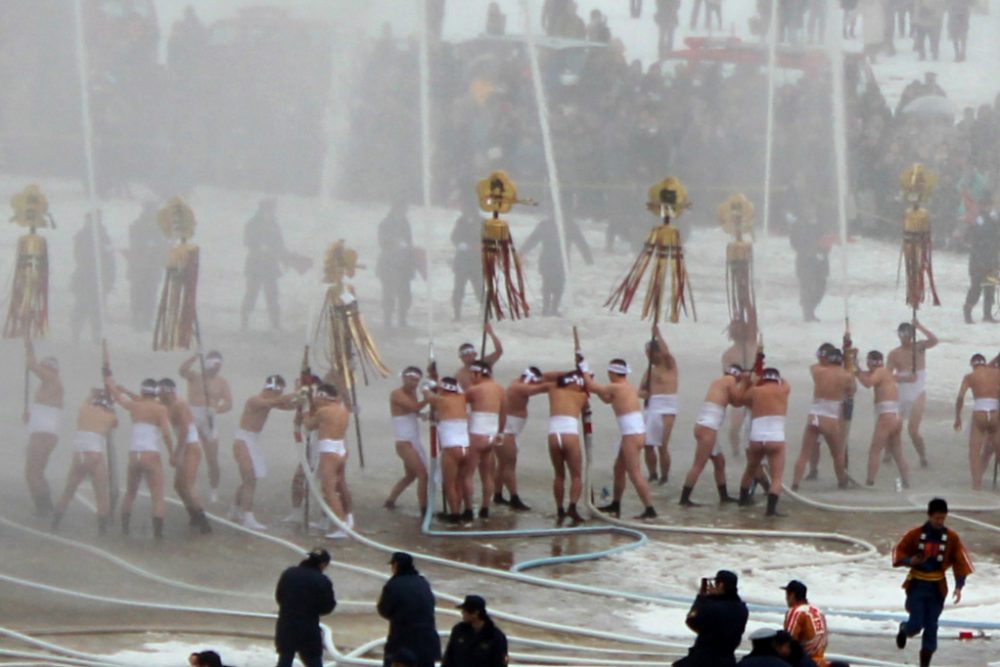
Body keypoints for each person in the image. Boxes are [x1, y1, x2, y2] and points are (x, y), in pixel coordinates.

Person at [892, 498, 973, 667]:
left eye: (943, 518)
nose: (940, 522)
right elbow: (898, 550)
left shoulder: (951, 537)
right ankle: (904, 629)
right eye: (937, 518)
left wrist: (959, 586)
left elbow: (961, 561)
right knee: (916, 624)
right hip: (918, 586)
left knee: (932, 626)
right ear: (929, 516)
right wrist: (910, 560)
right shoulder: (915, 533)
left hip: (937, 588)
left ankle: (924, 664)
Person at [585, 358, 657, 519]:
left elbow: (592, 387)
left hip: (632, 434)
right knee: (618, 469)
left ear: (612, 373)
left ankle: (650, 509)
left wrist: (583, 370)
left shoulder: (617, 386)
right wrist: (590, 379)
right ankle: (615, 503)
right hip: (634, 432)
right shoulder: (627, 387)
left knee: (634, 473)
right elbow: (605, 398)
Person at [106, 377, 174, 538]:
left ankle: (124, 530)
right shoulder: (160, 409)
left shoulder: (135, 407)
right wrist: (172, 453)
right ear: (156, 393)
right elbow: (166, 433)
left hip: (134, 454)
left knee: (130, 493)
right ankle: (158, 535)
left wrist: (112, 386)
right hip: (150, 454)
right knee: (157, 496)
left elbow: (120, 400)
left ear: (143, 391)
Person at [231, 375, 297, 530]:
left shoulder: (270, 401)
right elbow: (275, 401)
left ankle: (235, 509)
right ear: (272, 388)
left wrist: (301, 399)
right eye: (278, 391)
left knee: (248, 479)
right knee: (250, 479)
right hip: (243, 440)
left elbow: (286, 405)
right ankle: (247, 516)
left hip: (252, 441)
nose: (279, 395)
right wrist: (295, 393)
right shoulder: (255, 400)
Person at [51, 389, 117, 534]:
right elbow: (115, 424)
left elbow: (88, 399)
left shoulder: (84, 408)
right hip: (94, 454)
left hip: (79, 454)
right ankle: (102, 530)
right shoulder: (109, 416)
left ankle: (55, 522)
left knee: (69, 491)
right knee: (101, 494)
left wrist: (94, 394)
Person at [792, 346, 854, 490]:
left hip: (814, 415)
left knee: (804, 454)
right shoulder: (846, 376)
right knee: (837, 454)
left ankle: (795, 483)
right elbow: (851, 392)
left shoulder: (818, 371)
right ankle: (842, 482)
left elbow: (814, 365)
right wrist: (849, 364)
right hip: (830, 417)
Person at [679, 365, 743, 506]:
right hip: (708, 428)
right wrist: (748, 384)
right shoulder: (729, 380)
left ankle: (724, 497)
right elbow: (738, 401)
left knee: (719, 462)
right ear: (738, 375)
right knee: (698, 465)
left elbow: (732, 400)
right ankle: (684, 499)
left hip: (705, 426)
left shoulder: (719, 382)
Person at [158, 378, 211, 534]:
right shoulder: (164, 403)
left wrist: (176, 452)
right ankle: (193, 515)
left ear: (168, 391)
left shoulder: (179, 405)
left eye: (160, 391)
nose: (158, 394)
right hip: (185, 447)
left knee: (188, 484)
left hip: (190, 447)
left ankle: (203, 521)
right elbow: (145, 401)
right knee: (179, 485)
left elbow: (185, 430)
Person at [736, 367, 791, 517]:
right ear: (776, 379)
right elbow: (786, 382)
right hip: (775, 437)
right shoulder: (784, 389)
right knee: (777, 477)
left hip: (757, 437)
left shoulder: (756, 391)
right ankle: (770, 510)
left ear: (763, 379)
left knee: (750, 469)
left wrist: (749, 382)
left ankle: (742, 501)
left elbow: (740, 399)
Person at [179, 351, 233, 502]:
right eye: (214, 365)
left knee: (212, 458)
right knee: (191, 453)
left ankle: (214, 490)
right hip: (194, 415)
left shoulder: (222, 382)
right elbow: (182, 371)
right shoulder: (195, 377)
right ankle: (190, 485)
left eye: (219, 366)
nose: (217, 369)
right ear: (208, 364)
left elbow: (229, 403)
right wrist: (195, 357)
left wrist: (216, 409)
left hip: (210, 417)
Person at [519, 210, 593, 317]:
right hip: (559, 262)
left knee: (549, 285)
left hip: (549, 261)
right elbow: (581, 242)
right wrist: (588, 259)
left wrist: (522, 252)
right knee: (556, 285)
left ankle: (548, 309)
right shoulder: (569, 226)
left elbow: (532, 240)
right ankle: (551, 309)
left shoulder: (547, 225)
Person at [303, 384, 354, 539]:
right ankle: (331, 520)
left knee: (329, 490)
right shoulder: (343, 410)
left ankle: (342, 524)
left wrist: (304, 411)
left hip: (329, 450)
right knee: (338, 486)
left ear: (323, 397)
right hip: (340, 448)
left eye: (318, 397)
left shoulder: (324, 411)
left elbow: (309, 425)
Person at [495, 367, 549, 511]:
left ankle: (497, 495)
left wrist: (568, 375)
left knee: (502, 464)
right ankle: (514, 498)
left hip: (512, 429)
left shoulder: (518, 382)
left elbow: (544, 380)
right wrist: (560, 384)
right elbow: (541, 389)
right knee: (509, 463)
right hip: (506, 429)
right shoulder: (519, 387)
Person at [856, 350, 910, 488]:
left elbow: (868, 383)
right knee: (897, 452)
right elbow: (867, 376)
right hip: (896, 415)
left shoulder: (880, 372)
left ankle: (869, 482)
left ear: (870, 361)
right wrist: (856, 368)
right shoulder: (885, 372)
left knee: (875, 450)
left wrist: (856, 370)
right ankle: (906, 481)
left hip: (887, 415)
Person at [887, 320, 937, 467]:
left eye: (907, 334)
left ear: (911, 335)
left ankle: (922, 456)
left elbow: (934, 340)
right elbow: (887, 376)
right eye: (901, 334)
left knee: (912, 430)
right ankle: (888, 452)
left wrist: (920, 326)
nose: (904, 338)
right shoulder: (894, 354)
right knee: (894, 427)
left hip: (918, 394)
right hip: (901, 394)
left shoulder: (919, 347)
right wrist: (904, 378)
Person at [275, 548, 336, 667]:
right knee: (313, 661)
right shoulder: (322, 581)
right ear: (323, 564)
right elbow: (328, 607)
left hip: (286, 626)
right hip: (308, 629)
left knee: (285, 660)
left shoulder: (288, 573)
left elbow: (279, 597)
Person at [673, 570, 749, 667]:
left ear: (721, 585)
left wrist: (701, 599)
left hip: (704, 659)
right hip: (727, 659)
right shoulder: (742, 609)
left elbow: (692, 621)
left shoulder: (711, 606)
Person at [377, 552, 441, 667]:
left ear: (396, 565)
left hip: (402, 641)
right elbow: (431, 604)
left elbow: (384, 610)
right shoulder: (423, 582)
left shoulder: (393, 585)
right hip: (427, 643)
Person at [23, 336, 63, 516]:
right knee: (33, 472)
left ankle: (44, 508)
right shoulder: (48, 385)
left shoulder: (52, 379)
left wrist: (29, 346)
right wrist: (30, 416)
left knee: (33, 472)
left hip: (43, 434)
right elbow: (44, 409)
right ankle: (44, 506)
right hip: (41, 431)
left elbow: (31, 365)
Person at [545, 371, 590, 524]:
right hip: (569, 434)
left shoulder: (553, 390)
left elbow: (546, 377)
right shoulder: (582, 396)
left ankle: (559, 509)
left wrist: (567, 374)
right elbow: (586, 412)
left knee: (559, 474)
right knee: (576, 475)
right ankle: (572, 506)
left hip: (553, 434)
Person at [422, 377, 469, 521]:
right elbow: (459, 388)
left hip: (451, 447)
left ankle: (454, 515)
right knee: (459, 482)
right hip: (466, 447)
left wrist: (427, 385)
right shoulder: (462, 398)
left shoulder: (440, 401)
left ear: (442, 389)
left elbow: (426, 394)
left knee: (449, 484)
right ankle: (458, 511)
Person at [463, 361, 506, 519]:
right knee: (487, 474)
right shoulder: (500, 389)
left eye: (472, 375)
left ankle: (468, 509)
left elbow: (455, 404)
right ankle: (485, 508)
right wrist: (500, 433)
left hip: (477, 433)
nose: (470, 378)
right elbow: (503, 414)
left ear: (478, 374)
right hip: (492, 434)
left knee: (468, 474)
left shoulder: (474, 390)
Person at [386, 367, 429, 515]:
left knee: (411, 476)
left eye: (417, 380)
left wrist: (424, 415)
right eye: (411, 379)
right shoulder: (396, 394)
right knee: (423, 474)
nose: (414, 383)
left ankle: (390, 501)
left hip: (413, 440)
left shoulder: (412, 394)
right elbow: (412, 407)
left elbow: (414, 411)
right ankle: (424, 510)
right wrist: (429, 398)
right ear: (404, 378)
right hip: (404, 442)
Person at [953, 354, 1000, 490]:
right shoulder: (997, 373)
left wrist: (958, 417)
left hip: (979, 413)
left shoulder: (970, 377)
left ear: (972, 365)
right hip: (994, 413)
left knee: (974, 452)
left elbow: (960, 397)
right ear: (984, 363)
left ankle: (976, 487)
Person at [639, 325, 678, 485]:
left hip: (667, 406)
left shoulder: (669, 365)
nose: (647, 356)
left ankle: (665, 476)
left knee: (662, 445)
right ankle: (653, 474)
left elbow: (667, 352)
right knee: (648, 445)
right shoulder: (649, 371)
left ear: (656, 352)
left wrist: (658, 334)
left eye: (649, 352)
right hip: (652, 406)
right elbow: (642, 391)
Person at [241, 199, 287, 332]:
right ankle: (244, 321)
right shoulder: (252, 224)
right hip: (255, 265)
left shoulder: (274, 225)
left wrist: (285, 256)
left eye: (272, 209)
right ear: (262, 209)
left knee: (273, 295)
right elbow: (247, 241)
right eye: (269, 209)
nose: (272, 211)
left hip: (270, 266)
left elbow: (280, 244)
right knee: (251, 293)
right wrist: (259, 246)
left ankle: (275, 323)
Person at [70, 212, 115, 344]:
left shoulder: (104, 237)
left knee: (98, 310)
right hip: (85, 277)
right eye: (91, 220)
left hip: (101, 279)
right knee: (81, 307)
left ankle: (96, 335)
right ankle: (75, 333)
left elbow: (110, 259)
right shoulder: (81, 236)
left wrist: (110, 278)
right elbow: (79, 256)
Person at [124, 202, 167, 331]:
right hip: (139, 266)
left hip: (152, 267)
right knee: (138, 294)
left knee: (150, 295)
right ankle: (136, 319)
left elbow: (162, 246)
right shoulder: (137, 226)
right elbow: (135, 244)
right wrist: (147, 245)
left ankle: (147, 320)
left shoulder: (159, 227)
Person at [377, 200, 417, 329]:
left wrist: (411, 258)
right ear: (395, 209)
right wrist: (394, 243)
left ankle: (402, 318)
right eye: (402, 209)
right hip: (388, 264)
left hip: (404, 264)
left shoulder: (405, 223)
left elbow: (410, 241)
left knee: (405, 294)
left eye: (405, 210)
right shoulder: (385, 223)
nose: (404, 212)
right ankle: (387, 320)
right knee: (388, 293)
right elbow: (382, 242)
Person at [442, 595, 509, 667]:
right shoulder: (458, 630)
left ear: (475, 613)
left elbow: (499, 664)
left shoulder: (496, 637)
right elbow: (448, 658)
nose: (462, 613)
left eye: (465, 611)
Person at [962, 192, 999, 324]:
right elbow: (968, 238)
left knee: (990, 287)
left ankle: (987, 314)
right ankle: (967, 312)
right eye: (986, 205)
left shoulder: (995, 220)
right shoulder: (976, 220)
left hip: (992, 258)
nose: (989, 208)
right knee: (976, 287)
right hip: (978, 258)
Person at [788, 208, 830, 322]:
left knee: (820, 288)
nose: (811, 213)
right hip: (805, 262)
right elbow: (794, 243)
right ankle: (808, 313)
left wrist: (824, 248)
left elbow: (827, 241)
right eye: (808, 212)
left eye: (812, 211)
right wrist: (807, 250)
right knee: (806, 287)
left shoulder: (821, 225)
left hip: (820, 262)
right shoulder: (798, 226)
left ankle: (810, 309)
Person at [722, 321, 757, 457]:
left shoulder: (752, 345)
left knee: (755, 425)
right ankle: (736, 454)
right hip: (739, 391)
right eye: (734, 329)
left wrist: (745, 300)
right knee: (734, 429)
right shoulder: (728, 354)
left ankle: (754, 452)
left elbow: (752, 319)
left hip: (755, 390)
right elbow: (727, 376)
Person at [450, 199, 484, 321]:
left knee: (479, 288)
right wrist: (459, 244)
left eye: (467, 208)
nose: (465, 211)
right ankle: (457, 314)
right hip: (462, 261)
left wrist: (479, 246)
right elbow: (454, 237)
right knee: (458, 289)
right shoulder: (460, 221)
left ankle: (485, 312)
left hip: (476, 261)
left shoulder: (482, 222)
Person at [782, 580, 828, 667]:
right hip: (821, 662)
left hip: (804, 662)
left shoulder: (796, 611)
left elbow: (788, 640)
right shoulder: (818, 611)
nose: (786, 599)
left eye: (787, 595)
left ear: (791, 595)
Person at [455, 325, 503, 390]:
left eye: (470, 354)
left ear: (475, 354)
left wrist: (491, 333)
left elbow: (499, 351)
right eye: (465, 355)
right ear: (461, 357)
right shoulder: (460, 375)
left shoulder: (484, 363)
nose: (468, 356)